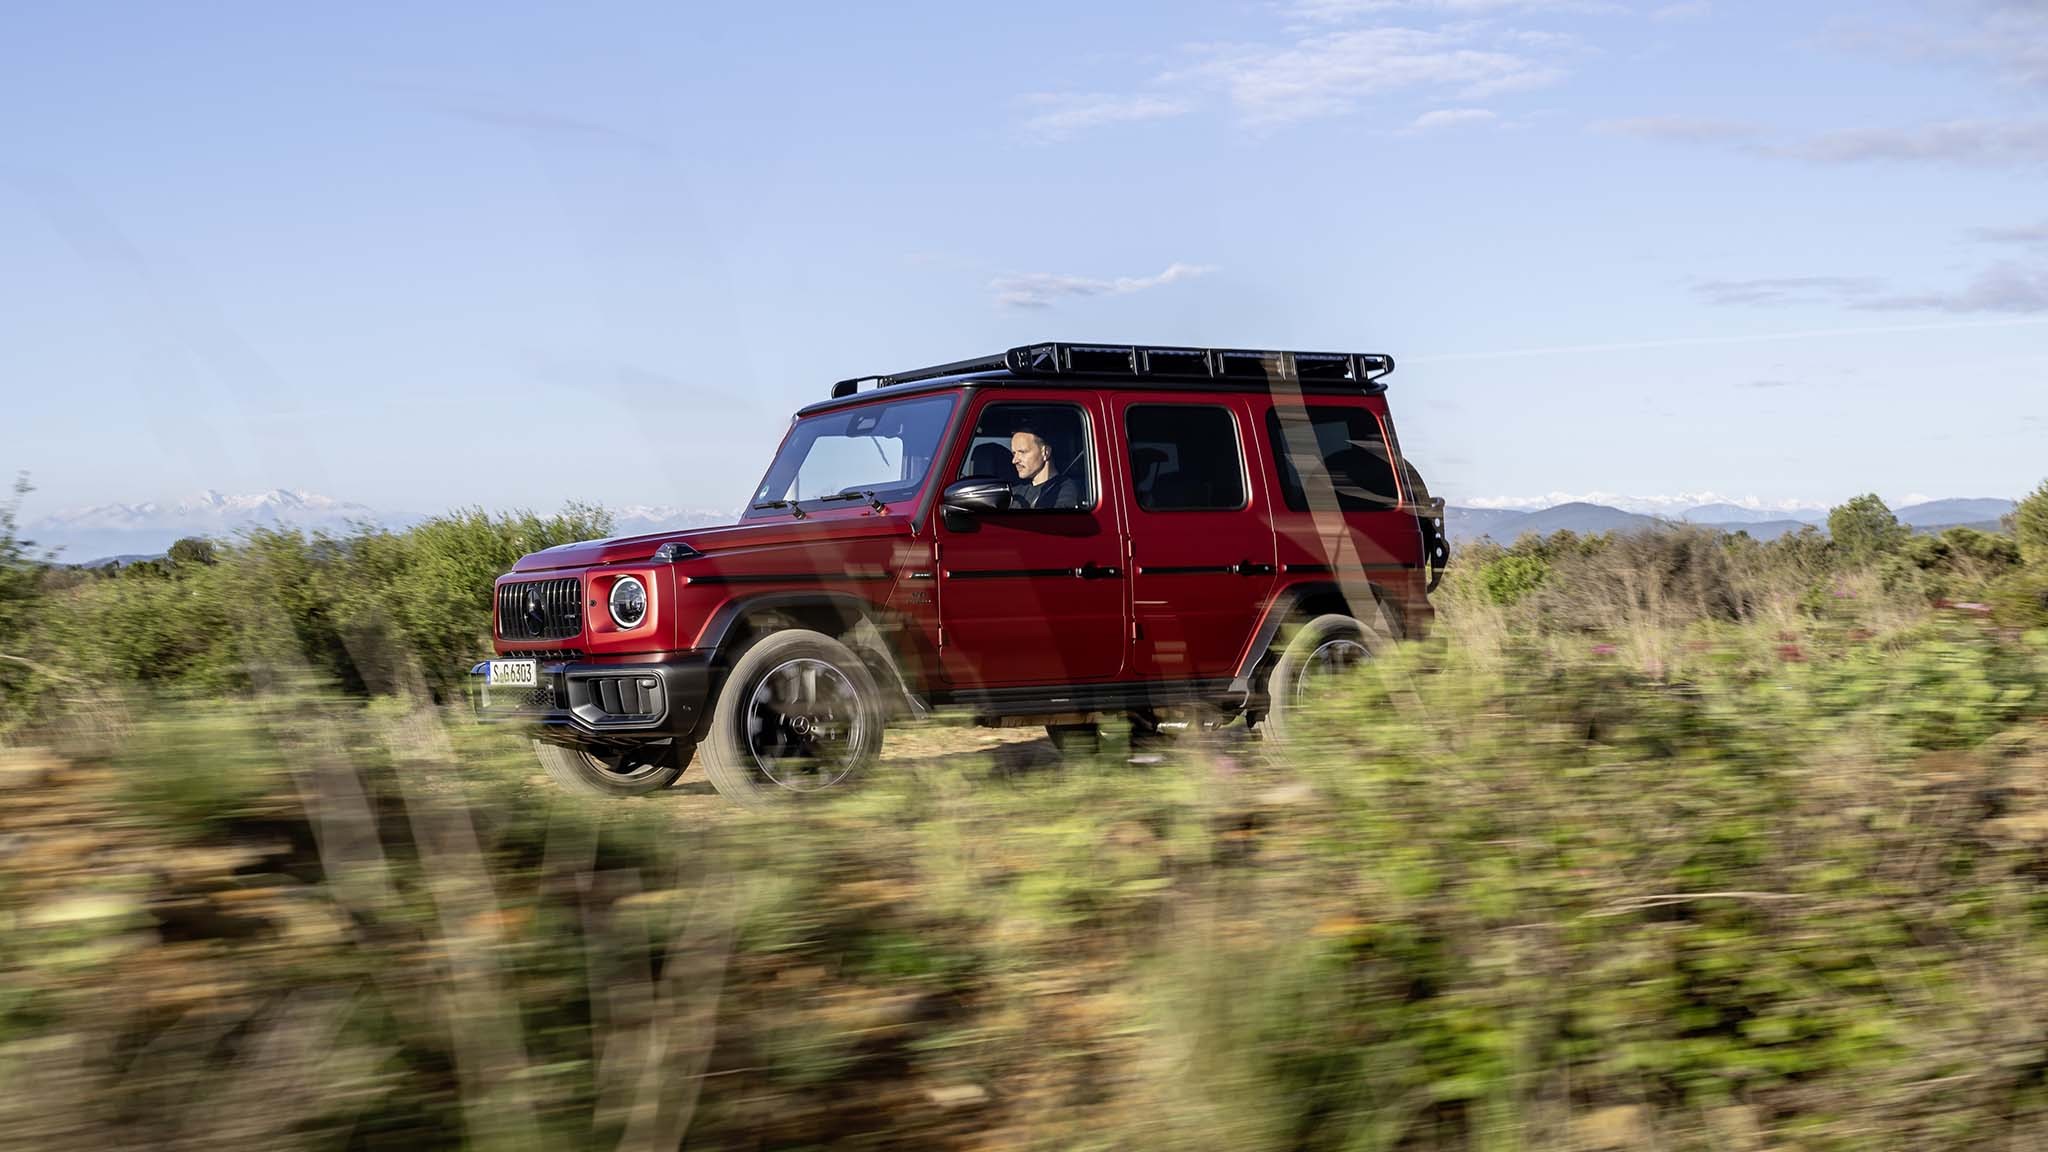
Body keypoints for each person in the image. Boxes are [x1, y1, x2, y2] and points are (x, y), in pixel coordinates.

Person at [1009, 429, 1082, 509]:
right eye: (1014, 453)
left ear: (1045, 452)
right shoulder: (1015, 493)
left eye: (1022, 452)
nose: (1014, 460)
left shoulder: (1064, 490)